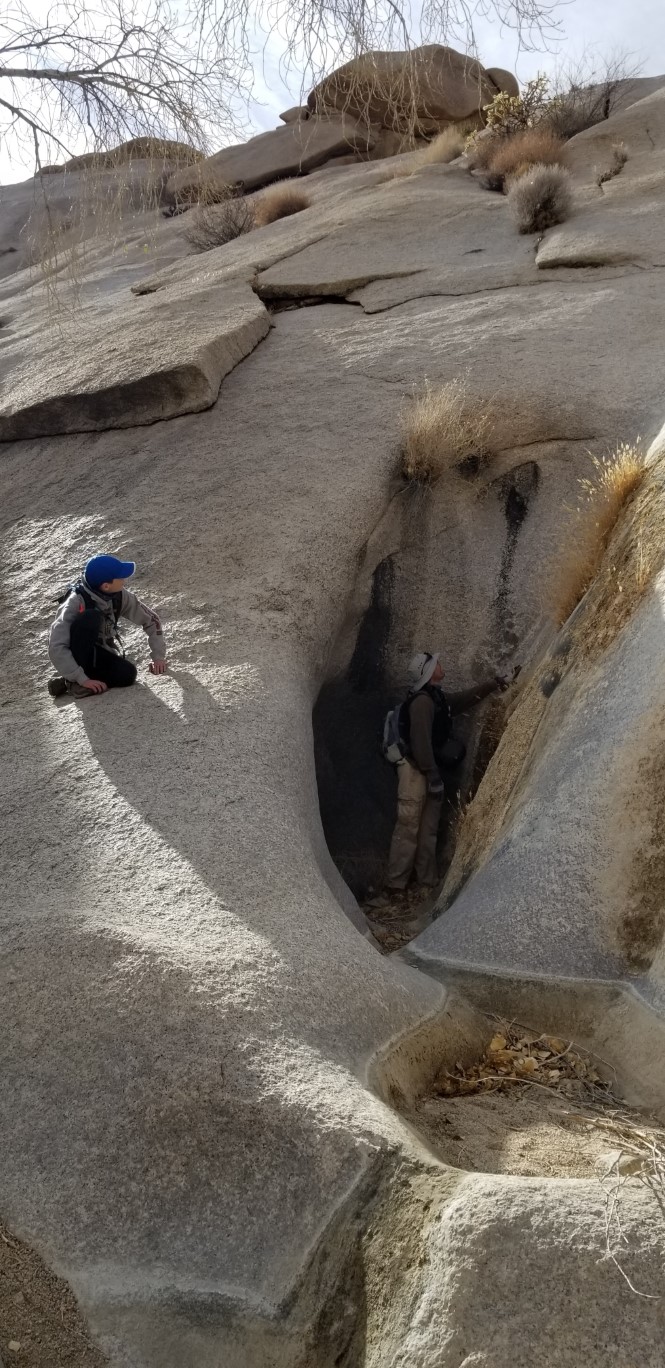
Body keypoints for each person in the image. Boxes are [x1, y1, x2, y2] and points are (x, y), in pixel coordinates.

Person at [386, 651, 513, 893]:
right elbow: (420, 741)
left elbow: (463, 700)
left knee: (428, 828)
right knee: (409, 825)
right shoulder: (422, 702)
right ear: (430, 671)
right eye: (437, 663)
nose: (441, 665)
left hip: (427, 770)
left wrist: (495, 683)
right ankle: (395, 884)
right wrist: (433, 776)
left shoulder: (437, 698)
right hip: (414, 771)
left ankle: (426, 880)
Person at [47, 554, 168, 699]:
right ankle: (74, 682)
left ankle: (69, 680)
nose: (124, 580)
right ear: (106, 586)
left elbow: (151, 620)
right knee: (90, 617)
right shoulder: (74, 602)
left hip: (99, 654)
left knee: (128, 675)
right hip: (76, 654)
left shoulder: (119, 595)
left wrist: (158, 657)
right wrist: (81, 678)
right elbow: (56, 646)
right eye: (120, 578)